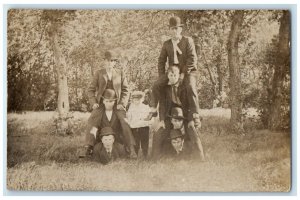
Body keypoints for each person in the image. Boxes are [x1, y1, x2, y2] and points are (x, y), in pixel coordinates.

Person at [148, 16, 201, 127]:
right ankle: (153, 109)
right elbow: (161, 60)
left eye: (176, 28)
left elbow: (192, 59)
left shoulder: (188, 41)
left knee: (190, 86)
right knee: (157, 85)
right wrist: (163, 76)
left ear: (180, 29)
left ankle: (195, 114)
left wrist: (183, 74)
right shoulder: (167, 44)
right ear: (170, 30)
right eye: (172, 28)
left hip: (188, 70)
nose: (174, 31)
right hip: (172, 71)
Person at [151, 66, 205, 160]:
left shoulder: (185, 86)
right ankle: (155, 158)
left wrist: (191, 119)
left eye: (174, 75)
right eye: (170, 75)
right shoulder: (165, 88)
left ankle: (200, 158)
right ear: (167, 75)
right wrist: (162, 120)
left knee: (192, 131)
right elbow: (163, 104)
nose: (172, 78)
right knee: (158, 132)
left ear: (179, 76)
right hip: (171, 114)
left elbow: (192, 104)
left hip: (186, 114)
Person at [85, 61, 137, 159]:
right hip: (102, 102)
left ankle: (131, 148)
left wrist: (122, 103)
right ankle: (89, 147)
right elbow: (90, 90)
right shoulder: (99, 73)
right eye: (107, 61)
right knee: (92, 120)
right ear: (104, 61)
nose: (109, 63)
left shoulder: (120, 73)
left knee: (124, 121)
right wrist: (94, 102)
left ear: (114, 62)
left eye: (111, 61)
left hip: (116, 103)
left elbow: (126, 90)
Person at [126, 91, 153, 158]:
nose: (136, 102)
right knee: (136, 142)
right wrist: (129, 124)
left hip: (144, 127)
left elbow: (149, 116)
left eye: (138, 100)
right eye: (134, 100)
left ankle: (145, 154)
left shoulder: (145, 107)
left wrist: (147, 120)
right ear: (132, 100)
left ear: (142, 99)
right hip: (135, 127)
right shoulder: (131, 107)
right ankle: (136, 154)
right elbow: (129, 117)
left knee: (144, 141)